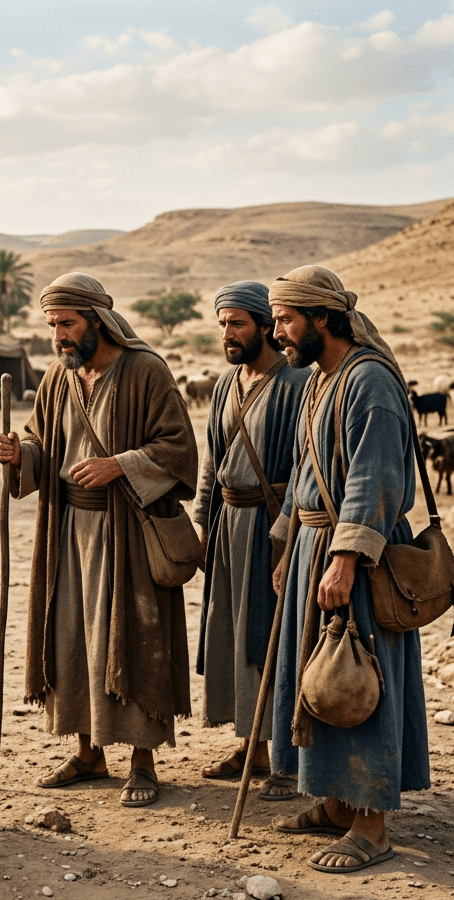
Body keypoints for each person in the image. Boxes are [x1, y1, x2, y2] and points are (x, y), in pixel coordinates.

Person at [0, 272, 197, 808]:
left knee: (132, 640)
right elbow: (40, 445)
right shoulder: (58, 379)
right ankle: (87, 753)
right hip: (66, 533)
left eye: (67, 323)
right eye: (52, 324)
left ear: (97, 321)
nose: (58, 335)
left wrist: (118, 466)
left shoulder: (146, 370)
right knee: (72, 642)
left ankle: (143, 762)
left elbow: (177, 448)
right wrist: (19, 457)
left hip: (126, 530)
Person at [268, 265, 430, 872]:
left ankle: (372, 826)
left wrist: (344, 559)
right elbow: (301, 473)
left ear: (323, 318)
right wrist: (288, 547)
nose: (277, 330)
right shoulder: (318, 380)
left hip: (358, 556)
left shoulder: (369, 382)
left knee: (363, 680)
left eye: (286, 319)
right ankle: (336, 804)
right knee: (322, 679)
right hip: (315, 547)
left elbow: (376, 477)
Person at [194, 282, 308, 800]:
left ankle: (285, 758)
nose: (227, 334)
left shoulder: (296, 382)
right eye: (222, 324)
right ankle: (251, 746)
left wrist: (288, 533)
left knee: (274, 638)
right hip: (228, 525)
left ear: (266, 325)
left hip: (275, 527)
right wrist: (202, 520)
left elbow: (307, 467)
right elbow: (211, 462)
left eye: (237, 323)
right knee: (235, 633)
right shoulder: (225, 383)